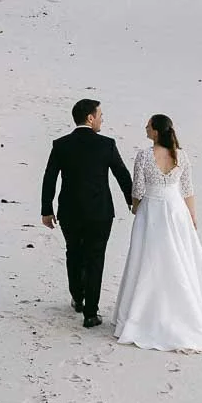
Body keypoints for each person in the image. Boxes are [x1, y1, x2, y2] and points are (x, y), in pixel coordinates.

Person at [112, 114, 202, 352]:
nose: (145, 127)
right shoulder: (182, 155)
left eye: (148, 125)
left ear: (155, 131)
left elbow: (137, 189)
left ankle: (143, 313)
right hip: (177, 211)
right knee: (180, 259)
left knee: (148, 260)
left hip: (152, 210)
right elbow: (188, 190)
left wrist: (136, 208)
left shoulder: (144, 155)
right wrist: (192, 216)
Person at [41, 99, 134, 329]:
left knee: (73, 253)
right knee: (95, 258)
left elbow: (49, 177)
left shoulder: (61, 145)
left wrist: (46, 209)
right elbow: (122, 175)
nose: (102, 119)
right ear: (90, 118)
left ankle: (78, 297)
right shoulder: (107, 145)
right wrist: (133, 202)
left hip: (69, 212)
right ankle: (91, 313)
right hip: (100, 212)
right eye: (100, 115)